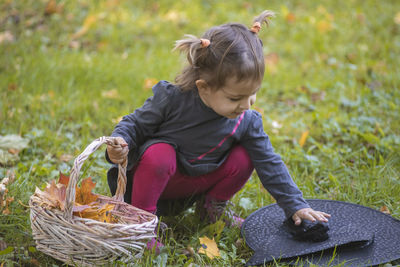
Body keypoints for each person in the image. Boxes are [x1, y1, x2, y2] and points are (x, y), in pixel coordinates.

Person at [106, 10, 330, 249]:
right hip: (156, 183)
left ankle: (210, 211)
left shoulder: (247, 120)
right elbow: (133, 124)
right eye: (235, 98)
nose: (245, 105)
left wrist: (295, 204)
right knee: (160, 153)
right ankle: (141, 224)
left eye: (252, 95)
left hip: (199, 182)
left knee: (247, 155)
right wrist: (118, 143)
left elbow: (269, 161)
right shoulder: (172, 99)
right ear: (203, 88)